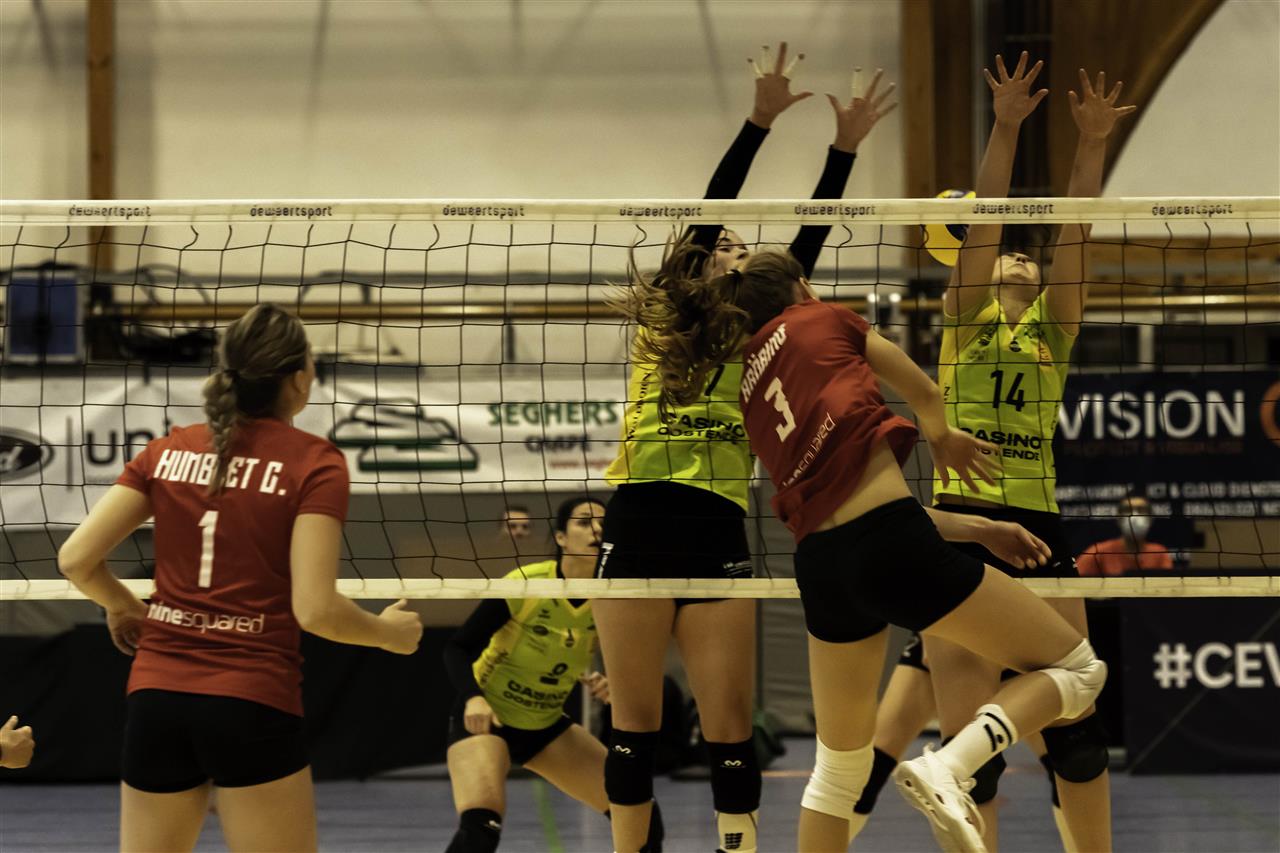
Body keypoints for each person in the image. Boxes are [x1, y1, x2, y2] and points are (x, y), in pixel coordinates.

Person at [622, 233, 1108, 852]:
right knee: (1079, 669)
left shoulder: (749, 388)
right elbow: (926, 394)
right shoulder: (825, 317)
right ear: (802, 287)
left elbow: (853, 504)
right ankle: (951, 765)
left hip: (824, 567)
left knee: (836, 773)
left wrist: (980, 530)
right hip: (891, 547)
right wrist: (943, 438)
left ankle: (944, 768)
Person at [593, 42, 896, 853]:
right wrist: (759, 123)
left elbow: (806, 246)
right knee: (632, 731)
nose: (731, 248)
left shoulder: (764, 333)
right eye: (719, 244)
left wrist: (843, 151)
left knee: (729, 732)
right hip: (639, 517)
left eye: (738, 246)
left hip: (718, 524)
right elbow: (710, 206)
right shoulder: (668, 314)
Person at [56, 304, 423, 853]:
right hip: (250, 699)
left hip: (158, 697)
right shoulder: (314, 463)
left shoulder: (166, 451)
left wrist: (122, 604)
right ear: (299, 378)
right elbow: (316, 610)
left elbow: (76, 560)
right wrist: (388, 635)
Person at [926, 56, 1135, 851]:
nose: (1017, 256)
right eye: (1007, 254)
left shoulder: (1054, 327)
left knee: (1078, 731)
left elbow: (1075, 228)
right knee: (965, 765)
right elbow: (986, 220)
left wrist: (1092, 144)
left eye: (1027, 254)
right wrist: (1006, 126)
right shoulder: (964, 317)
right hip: (960, 523)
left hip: (1039, 524)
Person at [442, 496, 664, 853]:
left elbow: (623, 656)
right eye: (584, 522)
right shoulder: (528, 583)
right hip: (489, 717)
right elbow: (457, 648)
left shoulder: (614, 594)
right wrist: (473, 698)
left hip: (545, 724)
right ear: (560, 537)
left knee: (642, 815)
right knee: (480, 828)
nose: (596, 530)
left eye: (604, 523)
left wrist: (611, 682)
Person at [847, 636, 1074, 851]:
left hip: (1016, 643)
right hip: (957, 636)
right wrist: (929, 633)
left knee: (1073, 759)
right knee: (871, 771)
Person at [1077, 495, 1173, 576]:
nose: (1134, 516)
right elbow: (1075, 582)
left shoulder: (1159, 553)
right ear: (1118, 518)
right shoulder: (1097, 553)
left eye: (1141, 510)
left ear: (1151, 518)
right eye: (1128, 510)